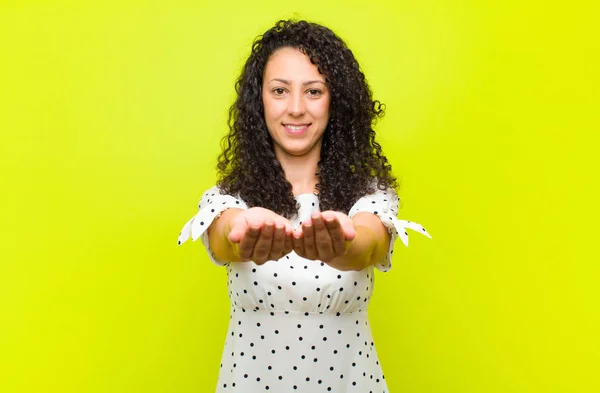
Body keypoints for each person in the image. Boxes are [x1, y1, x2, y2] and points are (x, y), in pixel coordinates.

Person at [178, 19, 431, 393]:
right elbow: (223, 237)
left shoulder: (369, 196)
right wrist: (244, 232)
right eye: (280, 90)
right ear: (258, 100)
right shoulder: (228, 197)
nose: (296, 108)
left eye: (313, 91)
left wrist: (342, 244)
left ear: (336, 101)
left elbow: (368, 244)